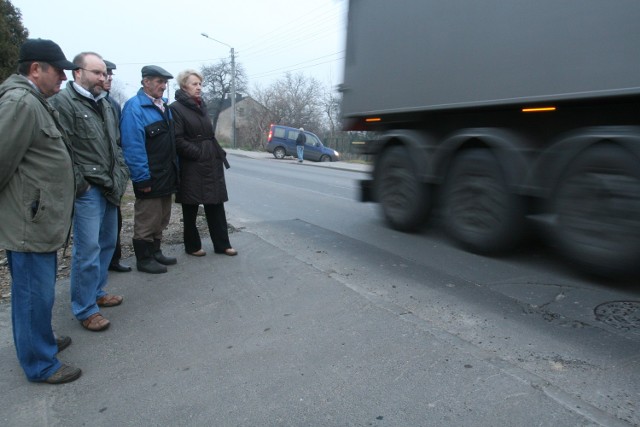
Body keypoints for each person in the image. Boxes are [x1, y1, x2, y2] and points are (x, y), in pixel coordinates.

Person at [0, 38, 81, 383]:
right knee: (32, 296)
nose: (64, 78)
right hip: (28, 223)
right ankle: (40, 363)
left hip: (39, 219)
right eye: (59, 71)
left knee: (40, 292)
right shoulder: (20, 102)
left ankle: (41, 342)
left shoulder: (35, 101)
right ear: (36, 69)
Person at [50, 52, 129, 332]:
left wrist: (121, 173)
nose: (103, 77)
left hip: (110, 186)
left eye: (105, 73)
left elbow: (115, 144)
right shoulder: (62, 103)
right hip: (88, 190)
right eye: (97, 72)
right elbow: (61, 152)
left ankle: (96, 292)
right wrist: (81, 185)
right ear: (77, 73)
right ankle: (85, 308)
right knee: (87, 249)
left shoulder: (106, 104)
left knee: (107, 242)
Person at [169, 70, 237, 258]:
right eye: (194, 84)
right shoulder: (176, 108)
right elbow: (178, 139)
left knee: (215, 202)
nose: (199, 87)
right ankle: (192, 246)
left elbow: (208, 133)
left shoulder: (202, 106)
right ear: (184, 86)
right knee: (190, 206)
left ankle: (222, 244)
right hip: (192, 164)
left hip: (210, 160)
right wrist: (198, 154)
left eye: (200, 84)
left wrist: (215, 152)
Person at [120, 65, 179, 274]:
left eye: (165, 82)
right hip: (150, 177)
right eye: (159, 82)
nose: (163, 86)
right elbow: (133, 146)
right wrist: (141, 178)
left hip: (166, 175)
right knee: (147, 219)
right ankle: (144, 259)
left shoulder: (164, 107)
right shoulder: (134, 108)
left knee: (161, 217)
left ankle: (156, 252)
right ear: (146, 82)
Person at [103, 60, 131, 273]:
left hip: (113, 175)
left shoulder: (112, 104)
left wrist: (122, 172)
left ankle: (113, 260)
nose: (109, 79)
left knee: (115, 222)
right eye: (104, 74)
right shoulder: (67, 103)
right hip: (89, 179)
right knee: (92, 231)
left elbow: (119, 140)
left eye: (110, 75)